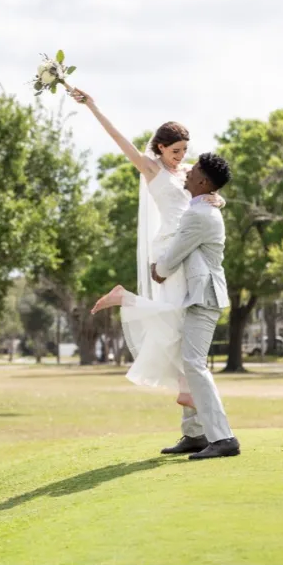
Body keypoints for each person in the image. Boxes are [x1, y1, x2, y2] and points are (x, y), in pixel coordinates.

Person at [67, 86, 222, 410]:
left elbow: (208, 189)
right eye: (175, 151)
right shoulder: (151, 168)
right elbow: (117, 138)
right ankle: (125, 299)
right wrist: (92, 105)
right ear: (161, 147)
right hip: (169, 244)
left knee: (181, 319)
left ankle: (184, 387)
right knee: (179, 314)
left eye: (184, 151)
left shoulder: (187, 171)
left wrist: (218, 198)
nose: (181, 157)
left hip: (190, 242)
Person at [150, 154, 240, 459]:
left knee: (194, 364)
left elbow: (172, 258)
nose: (187, 173)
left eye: (194, 172)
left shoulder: (198, 216)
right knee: (186, 363)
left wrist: (157, 270)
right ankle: (195, 434)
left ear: (203, 182)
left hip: (205, 297)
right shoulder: (202, 207)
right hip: (197, 295)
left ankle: (223, 437)